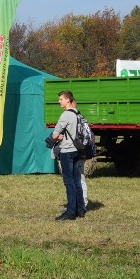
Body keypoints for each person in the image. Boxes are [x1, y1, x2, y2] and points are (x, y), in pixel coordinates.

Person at [51, 90, 86, 221]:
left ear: (67, 100)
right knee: (77, 180)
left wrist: (58, 136)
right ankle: (80, 209)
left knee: (68, 181)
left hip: (67, 151)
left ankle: (71, 212)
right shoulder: (77, 113)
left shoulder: (66, 115)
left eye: (61, 99)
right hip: (77, 150)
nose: (59, 101)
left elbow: (55, 135)